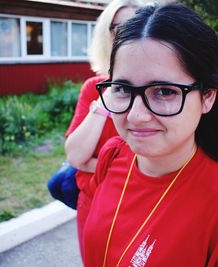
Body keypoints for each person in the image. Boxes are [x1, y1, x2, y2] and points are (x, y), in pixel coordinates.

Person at [81, 3, 218, 266]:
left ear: (207, 97)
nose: (136, 116)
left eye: (164, 91)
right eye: (123, 89)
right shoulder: (112, 156)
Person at [63, 0, 144, 256]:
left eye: (137, 24)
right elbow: (76, 157)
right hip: (94, 200)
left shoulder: (155, 89)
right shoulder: (93, 88)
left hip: (140, 202)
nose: (130, 34)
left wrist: (96, 165)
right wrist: (105, 102)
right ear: (107, 35)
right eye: (121, 27)